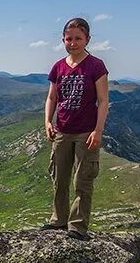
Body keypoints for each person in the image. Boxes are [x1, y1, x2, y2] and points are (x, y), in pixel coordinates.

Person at [42, 17, 109, 240]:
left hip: (85, 132)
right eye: (69, 39)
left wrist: (98, 130)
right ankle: (59, 220)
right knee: (59, 179)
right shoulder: (58, 67)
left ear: (87, 39)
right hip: (62, 130)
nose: (73, 43)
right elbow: (52, 97)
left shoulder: (96, 66)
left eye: (78, 38)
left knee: (83, 181)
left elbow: (103, 101)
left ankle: (78, 227)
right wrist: (48, 121)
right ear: (63, 39)